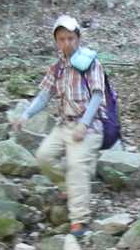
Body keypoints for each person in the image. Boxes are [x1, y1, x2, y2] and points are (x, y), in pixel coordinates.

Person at [10, 14, 113, 235]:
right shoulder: (57, 68)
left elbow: (98, 95)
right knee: (43, 156)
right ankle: (67, 187)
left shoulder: (91, 63)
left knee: (76, 166)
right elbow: (44, 96)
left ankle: (79, 220)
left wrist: (84, 124)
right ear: (56, 42)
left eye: (71, 38)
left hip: (89, 125)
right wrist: (26, 115)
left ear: (78, 38)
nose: (67, 43)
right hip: (64, 124)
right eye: (62, 39)